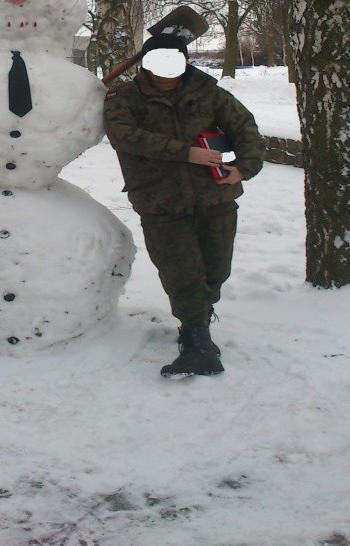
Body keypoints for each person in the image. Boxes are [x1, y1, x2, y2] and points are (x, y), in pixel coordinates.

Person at [103, 26, 264, 378]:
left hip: (215, 197)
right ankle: (195, 340)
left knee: (215, 269)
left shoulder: (208, 92)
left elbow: (245, 127)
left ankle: (199, 328)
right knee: (181, 273)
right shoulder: (125, 98)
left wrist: (245, 168)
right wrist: (185, 153)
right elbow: (126, 137)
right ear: (145, 63)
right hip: (160, 200)